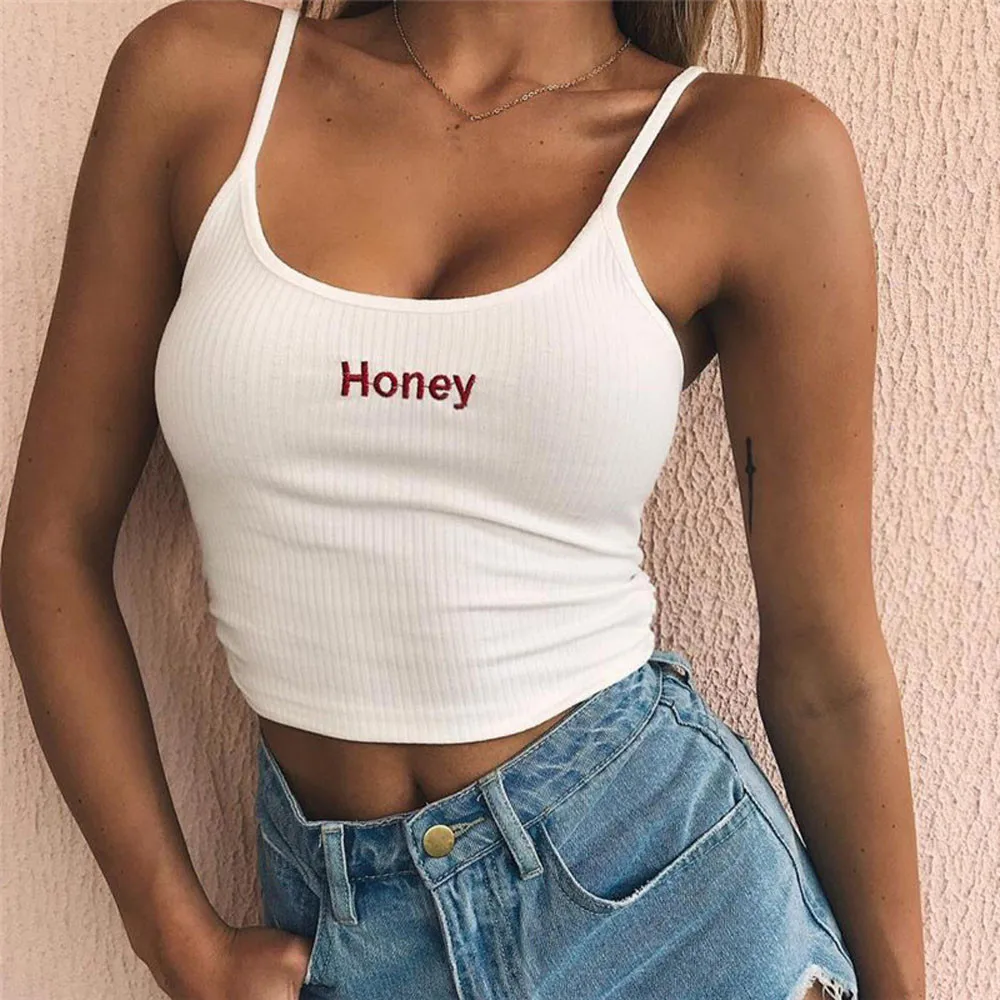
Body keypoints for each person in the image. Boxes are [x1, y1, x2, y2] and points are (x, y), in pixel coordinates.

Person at [2, 0, 926, 998]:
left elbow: (825, 667)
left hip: (670, 906)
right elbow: (51, 544)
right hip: (350, 931)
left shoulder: (751, 153)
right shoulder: (200, 80)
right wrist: (176, 939)